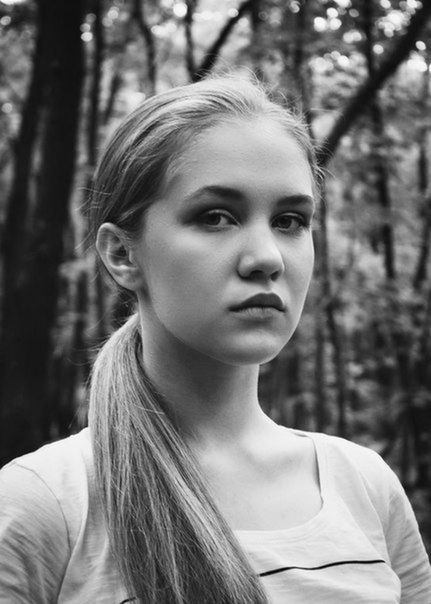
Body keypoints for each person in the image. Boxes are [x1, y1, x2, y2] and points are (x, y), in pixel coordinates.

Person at [0, 76, 430, 604]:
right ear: (121, 255)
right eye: (216, 217)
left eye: (290, 220)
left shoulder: (365, 487)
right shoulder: (43, 505)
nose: (267, 257)